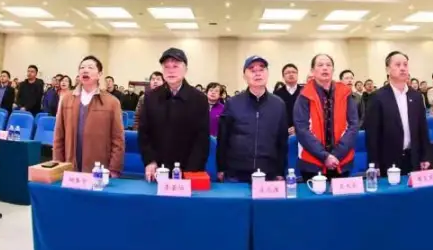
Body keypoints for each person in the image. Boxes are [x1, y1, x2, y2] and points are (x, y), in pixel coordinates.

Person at [138, 48, 210, 181]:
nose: (171, 71)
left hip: (189, 170)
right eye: (166, 67)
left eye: (175, 66)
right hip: (158, 170)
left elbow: (202, 139)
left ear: (186, 69)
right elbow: (144, 133)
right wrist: (150, 161)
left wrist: (191, 170)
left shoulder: (199, 99)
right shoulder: (151, 97)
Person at [216, 56, 288, 181]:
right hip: (236, 173)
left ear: (267, 73)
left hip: (268, 172)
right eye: (252, 70)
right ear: (244, 76)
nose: (257, 73)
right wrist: (221, 168)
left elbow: (282, 141)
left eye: (261, 69)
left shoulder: (279, 104)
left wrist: (280, 171)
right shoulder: (232, 103)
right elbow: (223, 139)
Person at [50, 55, 124, 174]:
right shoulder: (67, 99)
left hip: (99, 170)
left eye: (90, 67)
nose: (85, 70)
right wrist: (57, 164)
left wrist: (114, 169)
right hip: (70, 167)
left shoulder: (112, 102)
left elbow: (118, 140)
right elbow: (59, 135)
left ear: (99, 74)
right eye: (82, 67)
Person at [364, 50, 433, 175]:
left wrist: (425, 156)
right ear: (388, 70)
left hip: (413, 158)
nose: (402, 68)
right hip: (388, 160)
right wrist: (374, 163)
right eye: (398, 65)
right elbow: (372, 134)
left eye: (405, 65)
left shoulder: (416, 96)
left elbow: (422, 128)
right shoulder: (377, 97)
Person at [294, 53, 359, 181]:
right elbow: (302, 129)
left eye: (328, 65)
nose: (325, 68)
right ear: (312, 70)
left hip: (342, 161)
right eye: (320, 65)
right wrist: (325, 156)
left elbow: (353, 125)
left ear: (333, 70)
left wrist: (336, 155)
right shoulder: (304, 96)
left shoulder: (345, 93)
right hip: (312, 163)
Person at [274, 63, 302, 135]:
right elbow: (276, 115)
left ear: (297, 75)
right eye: (288, 73)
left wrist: (297, 128)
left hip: (302, 130)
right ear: (283, 76)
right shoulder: (277, 94)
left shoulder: (305, 92)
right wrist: (285, 129)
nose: (291, 74)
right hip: (283, 132)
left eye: (294, 72)